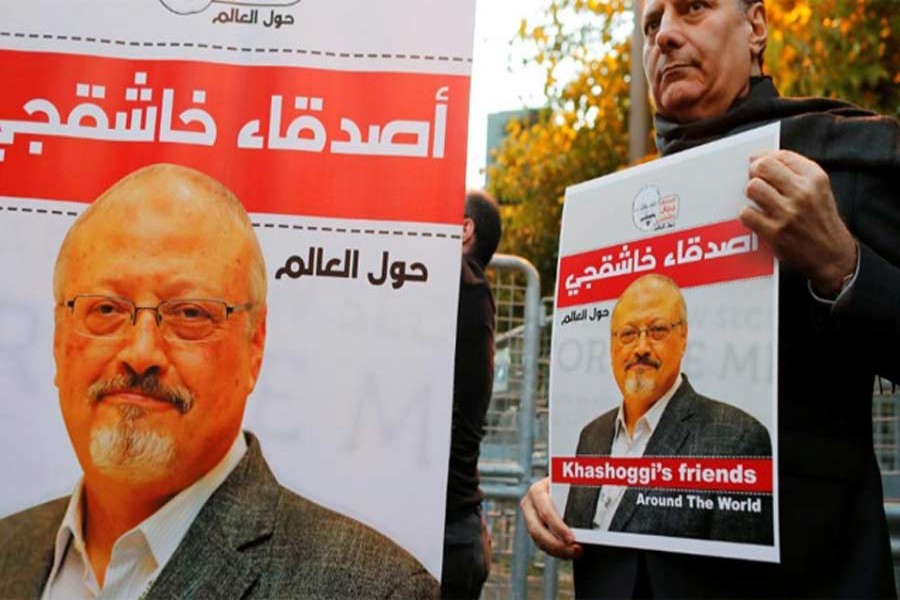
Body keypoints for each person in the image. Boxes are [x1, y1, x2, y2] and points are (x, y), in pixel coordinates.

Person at [522, 0, 900, 597]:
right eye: (651, 25)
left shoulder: (839, 162)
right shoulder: (617, 210)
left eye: (693, 8)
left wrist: (842, 263)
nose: (666, 35)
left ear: (756, 27)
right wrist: (561, 493)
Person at [0, 163, 438, 599]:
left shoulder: (376, 590)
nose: (140, 353)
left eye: (190, 314)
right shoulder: (10, 549)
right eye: (107, 310)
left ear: (255, 346)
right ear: (59, 339)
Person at [563, 274, 772, 544]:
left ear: (684, 337)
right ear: (612, 345)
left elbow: (741, 576)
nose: (640, 348)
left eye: (658, 330)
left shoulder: (737, 440)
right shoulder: (591, 436)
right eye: (627, 334)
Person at [441, 190, 502, 599]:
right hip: (456, 533)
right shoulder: (471, 295)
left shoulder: (464, 286)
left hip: (447, 538)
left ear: (464, 229)